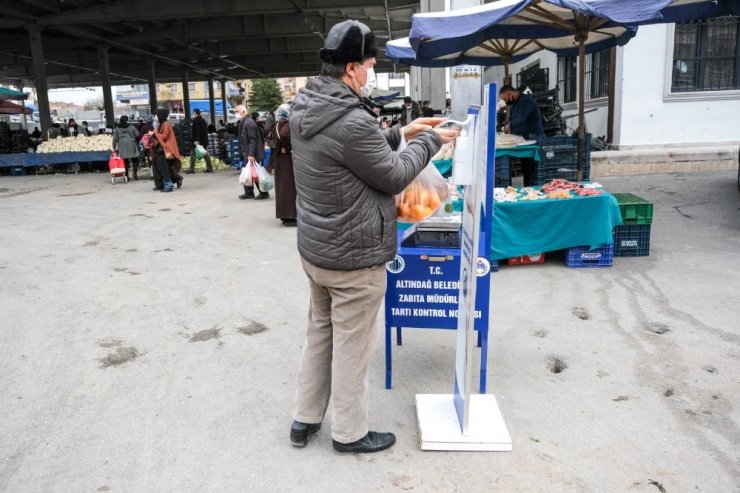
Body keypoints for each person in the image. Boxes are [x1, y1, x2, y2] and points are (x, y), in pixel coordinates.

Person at [288, 19, 459, 454]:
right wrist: (433, 141)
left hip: (317, 250)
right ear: (350, 69)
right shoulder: (351, 119)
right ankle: (349, 433)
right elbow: (394, 173)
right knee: (352, 346)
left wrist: (405, 131)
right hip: (353, 259)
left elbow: (348, 151)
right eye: (368, 65)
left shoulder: (306, 106)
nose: (370, 73)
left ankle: (304, 419)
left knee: (320, 334)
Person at [499, 84, 544, 186]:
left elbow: (519, 119)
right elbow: (512, 118)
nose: (506, 102)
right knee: (525, 168)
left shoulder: (525, 101)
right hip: (525, 141)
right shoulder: (516, 102)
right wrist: (506, 124)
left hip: (533, 139)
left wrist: (508, 126)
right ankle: (527, 187)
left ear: (510, 93)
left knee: (531, 169)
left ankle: (530, 189)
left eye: (506, 99)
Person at [268, 103, 297, 226]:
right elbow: (285, 135)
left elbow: (271, 139)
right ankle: (288, 216)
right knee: (288, 188)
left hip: (279, 159)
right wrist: (288, 147)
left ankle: (284, 215)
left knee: (282, 188)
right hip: (286, 161)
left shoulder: (276, 125)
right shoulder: (286, 125)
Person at [236, 107, 269, 200]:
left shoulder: (249, 123)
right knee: (247, 172)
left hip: (251, 153)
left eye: (237, 111)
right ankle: (249, 192)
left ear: (243, 112)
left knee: (255, 173)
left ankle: (264, 192)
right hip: (246, 152)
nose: (236, 113)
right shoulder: (244, 122)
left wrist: (251, 154)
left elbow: (253, 140)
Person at [148, 109, 183, 192]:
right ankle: (169, 182)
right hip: (161, 150)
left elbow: (164, 136)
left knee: (163, 167)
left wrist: (154, 134)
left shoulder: (166, 124)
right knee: (163, 167)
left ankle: (168, 184)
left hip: (165, 150)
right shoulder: (162, 124)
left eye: (157, 115)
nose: (156, 117)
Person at [112, 115, 140, 181]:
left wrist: (114, 148)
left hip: (122, 146)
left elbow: (114, 139)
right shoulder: (131, 127)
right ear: (127, 121)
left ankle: (126, 176)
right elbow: (138, 135)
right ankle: (135, 174)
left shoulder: (117, 129)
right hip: (131, 144)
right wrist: (134, 139)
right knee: (135, 160)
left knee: (125, 161)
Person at [186, 108, 213, 173]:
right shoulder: (203, 120)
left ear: (195, 113)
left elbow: (197, 131)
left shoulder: (196, 120)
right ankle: (210, 168)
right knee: (204, 154)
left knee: (193, 154)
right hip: (203, 140)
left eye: (193, 113)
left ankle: (191, 169)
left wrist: (196, 140)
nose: (192, 114)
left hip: (198, 141)